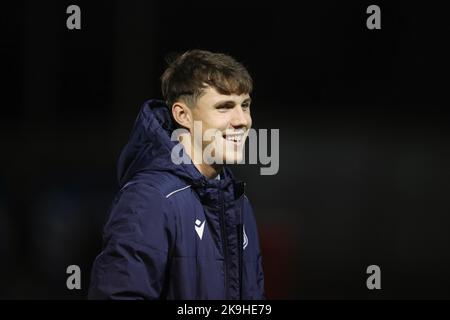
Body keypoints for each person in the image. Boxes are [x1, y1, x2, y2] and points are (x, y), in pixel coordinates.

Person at [88, 50, 265, 299]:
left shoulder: (237, 201)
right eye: (224, 107)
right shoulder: (150, 199)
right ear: (183, 115)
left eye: (244, 105)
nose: (242, 120)